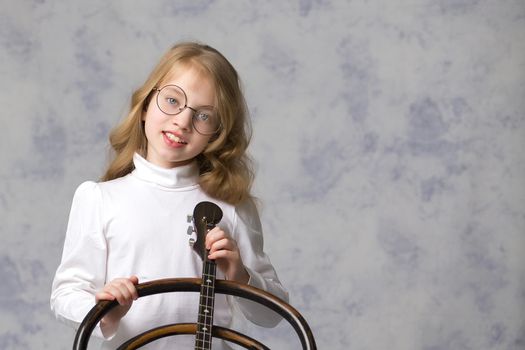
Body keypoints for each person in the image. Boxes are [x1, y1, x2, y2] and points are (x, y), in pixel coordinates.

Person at [50, 41, 288, 349]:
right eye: (173, 100)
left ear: (218, 133)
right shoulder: (99, 198)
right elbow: (66, 295)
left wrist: (239, 275)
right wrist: (107, 310)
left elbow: (273, 314)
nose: (183, 122)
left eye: (204, 116)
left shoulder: (231, 206)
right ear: (147, 104)